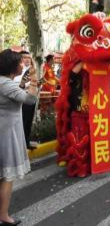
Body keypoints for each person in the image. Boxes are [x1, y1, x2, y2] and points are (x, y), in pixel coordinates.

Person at [0, 49, 38, 225]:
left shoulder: (5, 82)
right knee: (7, 176)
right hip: (7, 135)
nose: (22, 64)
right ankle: (4, 216)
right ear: (12, 65)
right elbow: (30, 100)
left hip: (5, 130)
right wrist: (34, 79)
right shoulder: (5, 83)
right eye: (19, 61)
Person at [13, 51, 37, 150]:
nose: (27, 59)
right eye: (25, 57)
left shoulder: (32, 70)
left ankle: (26, 142)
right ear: (20, 59)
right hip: (20, 99)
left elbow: (33, 84)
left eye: (29, 58)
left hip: (30, 98)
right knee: (20, 122)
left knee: (28, 122)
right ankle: (18, 144)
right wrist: (23, 84)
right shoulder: (16, 71)